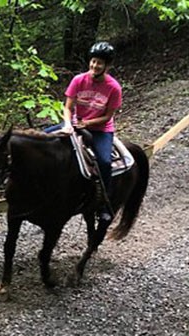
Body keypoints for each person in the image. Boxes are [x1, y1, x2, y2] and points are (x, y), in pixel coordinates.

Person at [45, 41, 122, 223]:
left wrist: (87, 123)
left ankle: (104, 204)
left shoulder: (114, 88)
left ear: (107, 66)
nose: (95, 66)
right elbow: (68, 106)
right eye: (93, 61)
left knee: (104, 161)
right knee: (42, 139)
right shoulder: (78, 80)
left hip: (100, 130)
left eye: (100, 63)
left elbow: (108, 116)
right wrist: (67, 124)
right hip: (75, 124)